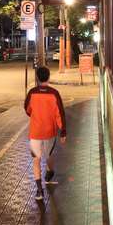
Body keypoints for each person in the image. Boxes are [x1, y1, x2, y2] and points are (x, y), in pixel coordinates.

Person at [24, 66, 67, 200]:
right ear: (48, 77)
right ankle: (50, 172)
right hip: (49, 131)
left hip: (35, 132)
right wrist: (63, 132)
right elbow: (59, 113)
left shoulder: (32, 93)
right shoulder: (54, 93)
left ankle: (39, 190)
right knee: (48, 155)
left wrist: (35, 115)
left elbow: (27, 109)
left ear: (37, 78)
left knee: (36, 159)